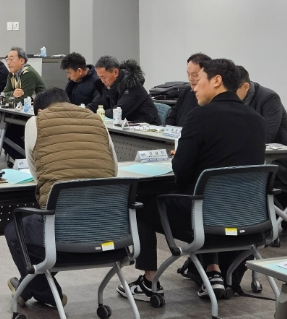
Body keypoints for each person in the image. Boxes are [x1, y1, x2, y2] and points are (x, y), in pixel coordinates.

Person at [118, 58, 266, 302]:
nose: (194, 87)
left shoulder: (200, 116)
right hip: (248, 217)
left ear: (216, 81)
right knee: (205, 199)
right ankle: (213, 271)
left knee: (141, 202)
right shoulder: (256, 120)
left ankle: (149, 281)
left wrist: (183, 157)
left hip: (205, 216)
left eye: (200, 80)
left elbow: (181, 171)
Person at [4, 88, 118, 308]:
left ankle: (43, 291)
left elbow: (38, 176)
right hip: (108, 228)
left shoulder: (35, 122)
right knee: (40, 229)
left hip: (64, 231)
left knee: (15, 230)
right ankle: (30, 287)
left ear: (39, 110)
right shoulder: (97, 120)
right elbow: (113, 170)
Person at [0, 47, 46, 160]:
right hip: (21, 114)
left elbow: (23, 100)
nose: (8, 62)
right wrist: (13, 94)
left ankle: (25, 159)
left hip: (35, 114)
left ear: (22, 60)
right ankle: (23, 158)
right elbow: (4, 94)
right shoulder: (12, 74)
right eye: (7, 59)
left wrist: (6, 97)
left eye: (11, 59)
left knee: (5, 133)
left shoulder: (28, 73)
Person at [88, 56, 160, 125]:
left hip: (148, 128)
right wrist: (84, 112)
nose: (102, 81)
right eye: (100, 78)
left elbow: (118, 112)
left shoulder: (132, 85)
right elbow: (94, 105)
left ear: (115, 72)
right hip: (126, 127)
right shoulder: (108, 85)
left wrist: (97, 114)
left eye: (104, 77)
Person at [236, 66, 287, 145]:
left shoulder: (269, 98)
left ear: (245, 87)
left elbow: (266, 135)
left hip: (274, 150)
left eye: (231, 91)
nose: (227, 95)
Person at [165, 53, 211, 127]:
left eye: (195, 75)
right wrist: (169, 129)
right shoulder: (186, 92)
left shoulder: (210, 97)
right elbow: (172, 116)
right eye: (188, 74)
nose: (190, 78)